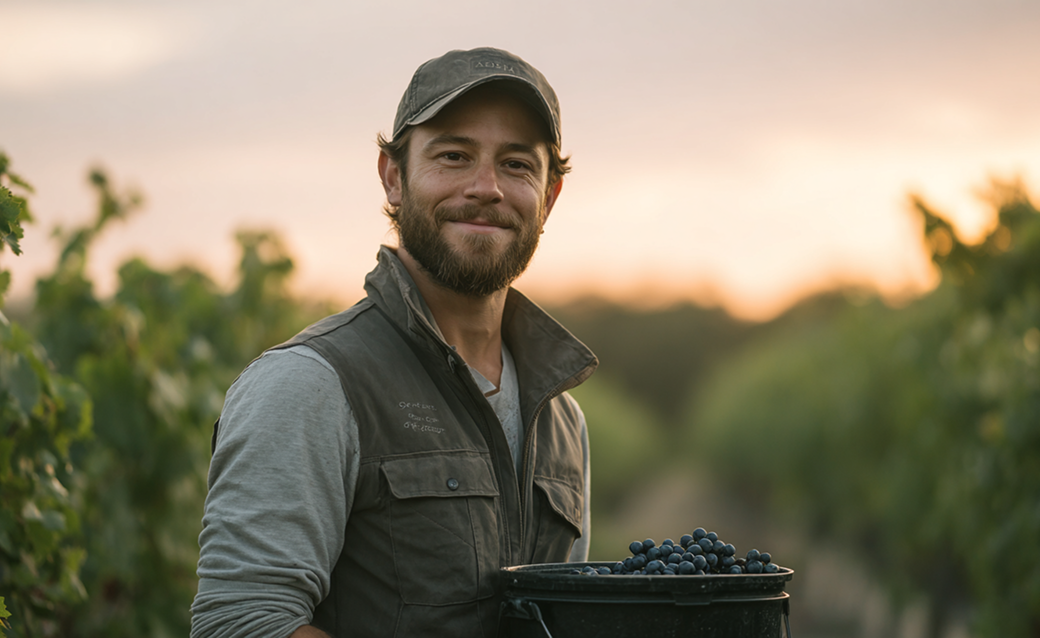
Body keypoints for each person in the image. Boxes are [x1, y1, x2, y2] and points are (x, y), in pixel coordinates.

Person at [190, 47, 598, 638]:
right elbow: (242, 624)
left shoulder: (562, 421)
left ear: (549, 197)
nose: (487, 187)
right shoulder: (310, 385)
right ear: (393, 177)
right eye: (454, 156)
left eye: (516, 165)